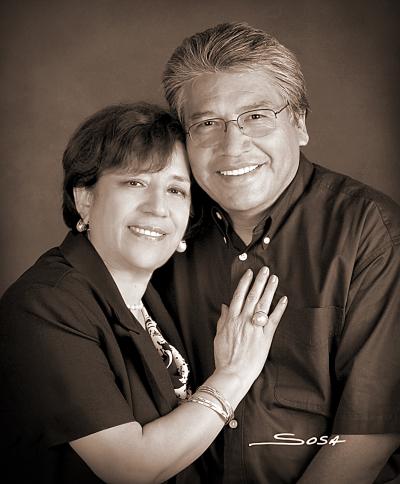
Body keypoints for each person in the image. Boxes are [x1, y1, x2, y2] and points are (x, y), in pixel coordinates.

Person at [152, 22, 400, 483]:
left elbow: (370, 434)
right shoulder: (162, 228)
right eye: (207, 123)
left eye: (256, 116)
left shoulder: (372, 231)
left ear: (300, 123)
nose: (233, 145)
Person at [0, 102, 288, 483]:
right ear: (85, 197)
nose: (157, 208)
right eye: (134, 183)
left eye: (175, 190)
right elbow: (127, 469)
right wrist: (234, 374)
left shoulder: (149, 296)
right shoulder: (44, 305)